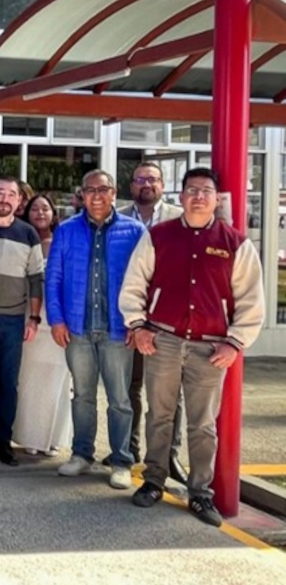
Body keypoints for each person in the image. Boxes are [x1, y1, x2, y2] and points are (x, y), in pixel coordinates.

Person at [121, 167, 266, 527]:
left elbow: (251, 300)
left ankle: (200, 493)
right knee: (160, 416)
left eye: (206, 191)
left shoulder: (236, 244)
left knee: (202, 424)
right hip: (163, 341)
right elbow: (135, 283)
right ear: (180, 196)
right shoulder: (159, 236)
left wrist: (236, 343)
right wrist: (138, 326)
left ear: (217, 199)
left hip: (210, 348)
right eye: (191, 190)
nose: (198, 196)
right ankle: (153, 480)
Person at [46, 170, 145, 490]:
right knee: (82, 396)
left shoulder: (135, 231)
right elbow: (54, 279)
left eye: (103, 189)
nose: (97, 196)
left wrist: (138, 322)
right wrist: (57, 320)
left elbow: (145, 280)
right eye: (90, 190)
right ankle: (81, 454)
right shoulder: (66, 230)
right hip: (78, 328)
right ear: (81, 195)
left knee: (119, 399)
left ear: (114, 193)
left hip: (118, 330)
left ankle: (120, 460)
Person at [0, 177, 45, 467]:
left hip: (15, 318)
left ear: (19, 201)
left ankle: (3, 440)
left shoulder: (28, 234)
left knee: (8, 383)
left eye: (11, 194)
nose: (5, 198)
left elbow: (35, 278)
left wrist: (35, 317)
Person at [119, 161, 186, 477]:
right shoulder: (117, 216)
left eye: (153, 179)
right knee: (128, 388)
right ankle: (128, 449)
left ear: (163, 184)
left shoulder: (180, 218)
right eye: (140, 179)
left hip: (167, 321)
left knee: (168, 393)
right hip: (126, 318)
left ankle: (167, 457)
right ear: (131, 185)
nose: (146, 184)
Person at [12, 194, 72, 457]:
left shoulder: (63, 240)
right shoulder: (21, 238)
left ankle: (53, 438)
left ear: (53, 213)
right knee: (29, 380)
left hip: (59, 320)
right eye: (34, 208)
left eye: (45, 208)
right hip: (29, 317)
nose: (39, 212)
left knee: (57, 381)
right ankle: (29, 438)